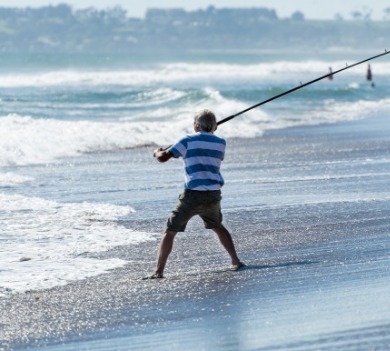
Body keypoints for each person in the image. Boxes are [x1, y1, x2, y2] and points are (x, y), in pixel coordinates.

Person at [149, 109, 244, 278]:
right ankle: (235, 260)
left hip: (192, 195)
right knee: (218, 226)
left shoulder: (187, 140)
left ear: (197, 125)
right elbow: (205, 150)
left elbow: (163, 158)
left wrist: (157, 151)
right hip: (213, 194)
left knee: (170, 231)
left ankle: (158, 271)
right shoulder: (220, 142)